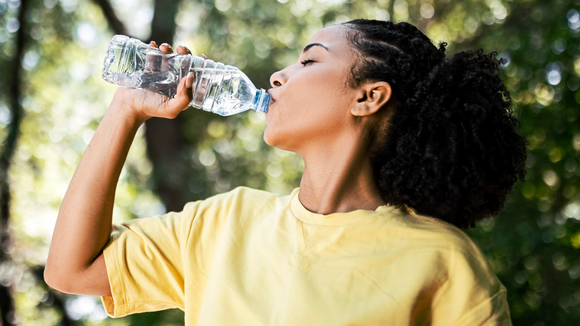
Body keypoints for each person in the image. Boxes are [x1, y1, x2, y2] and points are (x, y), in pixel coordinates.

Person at [45, 19, 527, 325]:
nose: (279, 76)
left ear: (368, 97)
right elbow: (71, 269)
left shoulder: (443, 264)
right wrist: (125, 110)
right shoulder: (222, 223)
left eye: (309, 60)